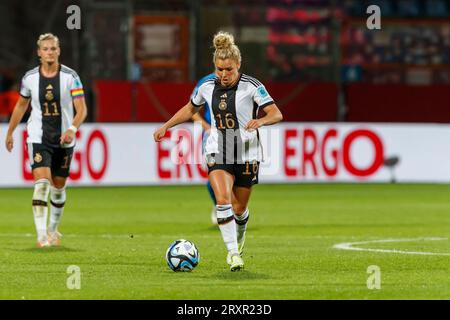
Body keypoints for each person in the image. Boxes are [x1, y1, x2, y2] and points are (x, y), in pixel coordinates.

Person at [154, 31, 283, 271]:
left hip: (247, 153)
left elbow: (276, 113)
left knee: (239, 209)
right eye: (220, 69)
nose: (224, 75)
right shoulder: (205, 86)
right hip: (218, 150)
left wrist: (261, 121)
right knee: (223, 201)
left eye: (229, 70)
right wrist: (166, 126)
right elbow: (189, 108)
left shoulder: (252, 86)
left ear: (238, 66)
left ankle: (239, 242)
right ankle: (233, 253)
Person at [4, 33, 87, 248]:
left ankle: (53, 229)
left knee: (58, 187)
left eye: (53, 49)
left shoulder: (70, 76)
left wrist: (71, 129)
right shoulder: (30, 78)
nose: (49, 52)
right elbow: (21, 105)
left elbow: (82, 109)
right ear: (39, 53)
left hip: (64, 139)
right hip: (37, 137)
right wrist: (10, 132)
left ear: (58, 51)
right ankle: (41, 236)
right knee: (41, 184)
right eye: (45, 49)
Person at [190, 73, 218, 225]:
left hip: (235, 135)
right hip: (212, 135)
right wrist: (207, 127)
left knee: (236, 175)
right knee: (214, 174)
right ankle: (219, 205)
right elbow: (192, 110)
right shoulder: (205, 82)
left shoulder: (243, 82)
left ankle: (233, 208)